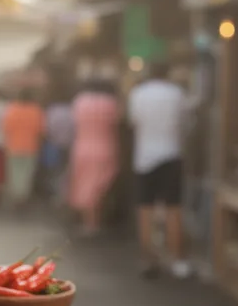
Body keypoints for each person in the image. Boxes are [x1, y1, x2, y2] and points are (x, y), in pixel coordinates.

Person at [128, 62, 191, 279]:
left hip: (144, 157)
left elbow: (133, 122)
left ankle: (148, 259)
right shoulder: (177, 93)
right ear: (168, 73)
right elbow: (184, 123)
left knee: (145, 210)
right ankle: (177, 260)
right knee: (173, 209)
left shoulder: (138, 93)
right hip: (171, 154)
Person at [68, 80, 120, 236]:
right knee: (101, 186)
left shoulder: (80, 102)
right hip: (106, 147)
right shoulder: (111, 104)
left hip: (82, 148)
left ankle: (89, 221)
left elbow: (74, 124)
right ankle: (98, 219)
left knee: (85, 185)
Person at [1, 88, 45, 208]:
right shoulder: (36, 110)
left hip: (13, 146)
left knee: (14, 173)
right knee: (27, 173)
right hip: (31, 147)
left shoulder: (12, 109)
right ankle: (23, 198)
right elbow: (40, 130)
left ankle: (16, 196)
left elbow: (6, 128)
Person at [42, 91, 74, 201]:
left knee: (53, 171)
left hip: (54, 145)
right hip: (68, 146)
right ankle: (63, 195)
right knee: (65, 172)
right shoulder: (71, 110)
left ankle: (54, 194)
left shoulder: (52, 111)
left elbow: (46, 129)